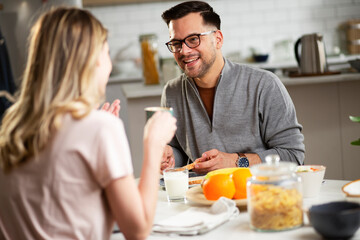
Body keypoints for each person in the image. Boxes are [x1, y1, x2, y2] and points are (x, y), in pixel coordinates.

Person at [0, 7, 176, 240]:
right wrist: (153, 145)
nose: (109, 65)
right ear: (92, 61)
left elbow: (62, 210)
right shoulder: (99, 128)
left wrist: (101, 147)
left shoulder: (11, 126)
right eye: (107, 53)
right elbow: (138, 229)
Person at [160, 1, 305, 175]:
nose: (183, 51)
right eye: (176, 43)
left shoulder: (264, 84)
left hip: (259, 193)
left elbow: (293, 156)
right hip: (202, 196)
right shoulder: (171, 92)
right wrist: (171, 157)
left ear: (218, 39)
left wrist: (236, 161)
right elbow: (179, 151)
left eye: (193, 39)